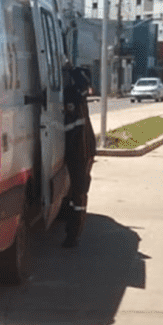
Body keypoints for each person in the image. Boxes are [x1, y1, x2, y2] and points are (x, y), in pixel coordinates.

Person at [61, 64, 97, 248]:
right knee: (78, 192)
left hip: (80, 151)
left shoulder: (73, 98)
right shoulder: (79, 96)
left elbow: (70, 128)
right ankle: (72, 229)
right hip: (84, 148)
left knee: (79, 193)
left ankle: (73, 235)